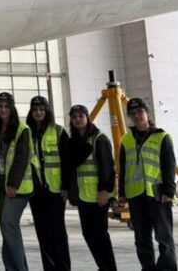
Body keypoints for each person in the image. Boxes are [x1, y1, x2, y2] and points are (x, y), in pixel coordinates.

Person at [119, 97, 177, 271]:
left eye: (140, 112)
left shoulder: (162, 136)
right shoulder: (126, 140)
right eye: (132, 114)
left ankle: (166, 268)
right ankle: (148, 268)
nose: (137, 116)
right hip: (136, 195)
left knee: (164, 237)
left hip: (158, 195)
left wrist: (169, 190)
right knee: (142, 239)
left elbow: (169, 164)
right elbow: (122, 168)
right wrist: (121, 193)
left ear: (147, 113)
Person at [66, 104, 116, 271]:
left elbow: (107, 167)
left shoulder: (98, 139)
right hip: (83, 195)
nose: (78, 119)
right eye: (74, 117)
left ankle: (109, 267)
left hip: (98, 196)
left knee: (100, 234)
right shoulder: (74, 142)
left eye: (81, 116)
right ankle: (102, 266)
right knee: (88, 234)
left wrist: (104, 190)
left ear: (88, 118)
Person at [27, 96, 71, 271]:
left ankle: (63, 267)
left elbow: (67, 162)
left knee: (57, 232)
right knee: (42, 233)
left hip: (55, 190)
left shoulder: (59, 131)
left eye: (42, 109)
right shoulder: (26, 132)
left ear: (47, 111)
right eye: (35, 109)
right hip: (36, 190)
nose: (38, 113)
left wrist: (66, 187)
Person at [0, 92, 32, 271]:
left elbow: (21, 158)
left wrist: (13, 184)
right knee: (7, 230)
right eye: (0, 106)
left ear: (12, 108)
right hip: (0, 186)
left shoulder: (22, 129)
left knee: (9, 225)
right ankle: (13, 268)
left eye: (7, 106)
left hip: (16, 187)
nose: (3, 109)